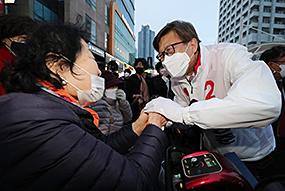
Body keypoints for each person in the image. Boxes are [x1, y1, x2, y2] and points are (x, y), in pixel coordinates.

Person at [0, 22, 169, 190]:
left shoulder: (49, 108)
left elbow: (100, 149)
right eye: (91, 57)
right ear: (57, 66)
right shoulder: (41, 121)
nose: (99, 71)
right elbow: (134, 182)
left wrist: (138, 127)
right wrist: (154, 126)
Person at [144, 20, 281, 181]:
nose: (165, 60)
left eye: (169, 51)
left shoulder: (228, 56)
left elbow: (264, 104)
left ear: (193, 45)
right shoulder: (177, 80)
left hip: (254, 156)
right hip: (215, 156)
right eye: (162, 56)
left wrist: (183, 114)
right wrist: (168, 117)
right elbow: (183, 115)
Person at [259, 45, 285, 177]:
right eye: (284, 62)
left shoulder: (282, 84)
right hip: (268, 144)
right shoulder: (259, 87)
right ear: (272, 65)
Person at [0, 14, 37, 95]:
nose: (25, 42)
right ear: (4, 38)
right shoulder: (3, 61)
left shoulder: (22, 57)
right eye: (23, 38)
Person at [89, 70, 133, 135]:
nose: (115, 89)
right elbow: (101, 134)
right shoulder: (100, 106)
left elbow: (128, 119)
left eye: (116, 86)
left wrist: (124, 103)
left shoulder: (117, 102)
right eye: (111, 87)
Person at [126, 58, 152, 122]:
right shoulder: (132, 78)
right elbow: (127, 91)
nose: (138, 67)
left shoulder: (148, 79)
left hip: (147, 105)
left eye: (141, 65)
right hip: (135, 106)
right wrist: (134, 96)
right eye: (137, 65)